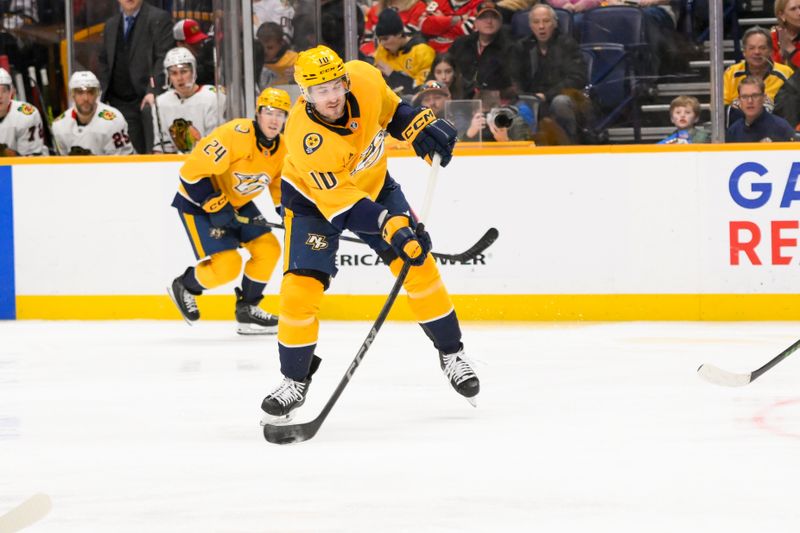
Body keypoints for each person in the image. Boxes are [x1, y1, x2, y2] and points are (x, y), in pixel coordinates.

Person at [260, 45, 479, 422]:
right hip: (314, 203)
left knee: (418, 265)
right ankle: (294, 380)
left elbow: (392, 111)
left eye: (334, 85)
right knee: (300, 288)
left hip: (376, 186)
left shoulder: (364, 77)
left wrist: (419, 128)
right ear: (305, 94)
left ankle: (452, 353)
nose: (331, 96)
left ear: (345, 80)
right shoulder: (304, 137)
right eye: (320, 90)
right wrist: (392, 225)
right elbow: (342, 205)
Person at [167, 88, 291, 335]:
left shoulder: (283, 149)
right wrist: (215, 204)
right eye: (269, 112)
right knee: (228, 265)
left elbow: (281, 191)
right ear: (258, 114)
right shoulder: (234, 134)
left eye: (280, 114)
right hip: (198, 201)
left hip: (236, 202)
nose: (274, 119)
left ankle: (247, 309)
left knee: (268, 249)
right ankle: (186, 285)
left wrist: (292, 217)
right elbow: (190, 173)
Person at [98, 0, 174, 154]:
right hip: (119, 102)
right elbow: (105, 62)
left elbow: (163, 57)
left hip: (146, 100)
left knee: (150, 154)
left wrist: (153, 90)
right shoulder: (111, 25)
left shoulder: (159, 18)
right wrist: (100, 97)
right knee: (128, 156)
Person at [511, 3, 587, 144]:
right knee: (518, 105)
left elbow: (578, 78)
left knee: (560, 102)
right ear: (530, 25)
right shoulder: (522, 47)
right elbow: (514, 77)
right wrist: (524, 96)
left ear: (555, 23)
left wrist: (547, 95)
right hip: (533, 99)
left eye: (546, 21)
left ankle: (567, 147)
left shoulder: (567, 44)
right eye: (536, 22)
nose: (541, 26)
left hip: (561, 97)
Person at [152, 47, 225, 154]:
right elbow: (162, 149)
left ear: (193, 71)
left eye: (184, 71)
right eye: (174, 73)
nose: (179, 78)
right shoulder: (161, 102)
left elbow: (218, 145)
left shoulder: (213, 97)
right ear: (168, 76)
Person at [51, 71, 135, 156]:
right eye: (80, 92)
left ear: (97, 94)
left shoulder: (114, 120)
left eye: (90, 92)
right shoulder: (59, 125)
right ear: (73, 95)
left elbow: (123, 162)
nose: (86, 98)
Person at [447, 1, 514, 99]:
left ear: (500, 22)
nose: (489, 21)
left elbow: (513, 84)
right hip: (459, 100)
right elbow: (444, 67)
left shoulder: (509, 48)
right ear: (476, 22)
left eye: (494, 17)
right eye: (483, 17)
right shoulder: (460, 43)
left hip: (494, 102)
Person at [723, 27, 793, 110]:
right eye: (751, 48)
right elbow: (719, 106)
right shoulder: (731, 73)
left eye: (762, 48)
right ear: (744, 52)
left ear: (770, 51)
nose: (757, 52)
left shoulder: (786, 73)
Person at [373, 8, 436, 96]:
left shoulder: (423, 51)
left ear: (399, 34)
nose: (382, 44)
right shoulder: (382, 50)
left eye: (385, 39)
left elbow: (423, 88)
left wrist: (393, 74)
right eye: (380, 40)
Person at [726, 76, 796, 143]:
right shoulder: (734, 131)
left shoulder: (781, 128)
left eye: (755, 96)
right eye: (744, 96)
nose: (750, 101)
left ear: (764, 98)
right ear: (739, 100)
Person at [0, 67, 46, 156]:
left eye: (3, 90)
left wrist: (9, 155)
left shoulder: (26, 115)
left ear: (11, 92)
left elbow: (30, 162)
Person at [361, 0, 428, 57]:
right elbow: (367, 39)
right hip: (376, 56)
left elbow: (408, 37)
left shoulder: (418, 6)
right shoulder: (375, 9)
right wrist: (370, 54)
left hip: (406, 56)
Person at [173, 18, 215, 87]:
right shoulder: (172, 65)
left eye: (199, 40)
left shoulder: (206, 58)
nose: (198, 45)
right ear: (180, 44)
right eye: (193, 43)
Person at [256, 22, 298, 88]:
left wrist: (298, 74)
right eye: (261, 46)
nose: (265, 51)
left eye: (270, 48)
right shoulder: (254, 59)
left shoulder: (293, 59)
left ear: (281, 44)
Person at [771, 0, 800, 70]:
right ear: (782, 15)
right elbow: (769, 71)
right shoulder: (772, 37)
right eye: (793, 9)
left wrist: (791, 50)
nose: (799, 13)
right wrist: (781, 53)